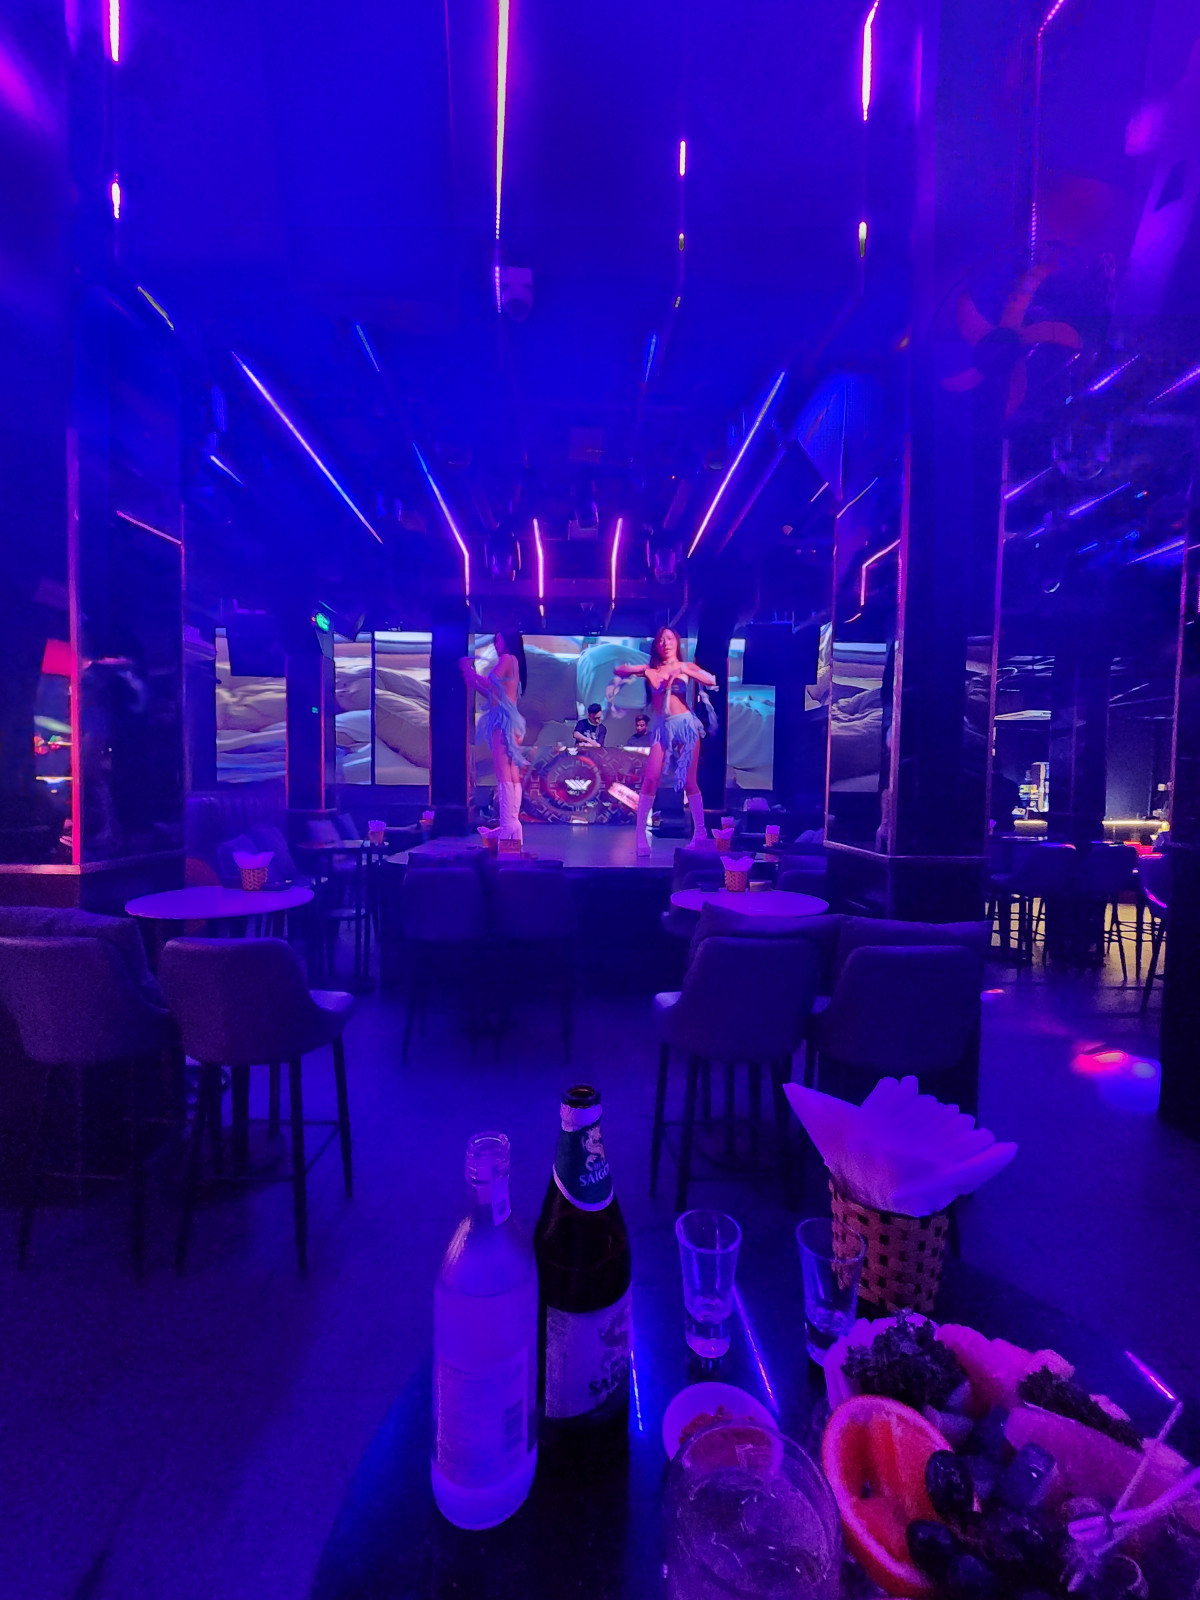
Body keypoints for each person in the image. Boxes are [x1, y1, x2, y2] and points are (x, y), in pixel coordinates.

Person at [611, 628, 718, 856]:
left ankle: (700, 833)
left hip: (685, 724)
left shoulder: (685, 666)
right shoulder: (652, 668)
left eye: (669, 639)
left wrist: (683, 669)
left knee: (690, 781)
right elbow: (618, 669)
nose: (665, 643)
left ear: (676, 642)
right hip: (662, 726)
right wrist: (645, 670)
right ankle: (640, 834)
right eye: (661, 640)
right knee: (651, 778)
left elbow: (711, 680)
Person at [460, 631, 528, 845]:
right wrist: (472, 679)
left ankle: (508, 824)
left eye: (497, 640)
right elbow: (494, 692)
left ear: (506, 641)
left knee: (503, 772)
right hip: (510, 719)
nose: (496, 645)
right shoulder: (514, 661)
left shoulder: (507, 658)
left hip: (503, 720)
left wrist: (468, 670)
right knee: (511, 772)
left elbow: (490, 683)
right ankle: (512, 824)